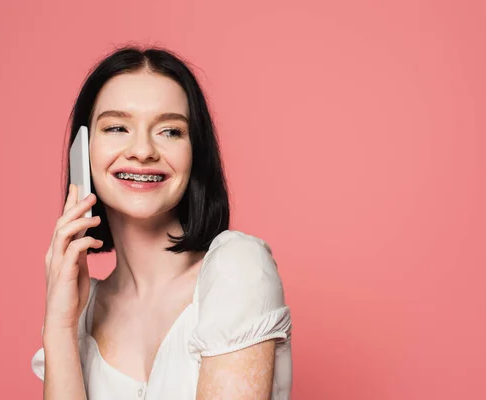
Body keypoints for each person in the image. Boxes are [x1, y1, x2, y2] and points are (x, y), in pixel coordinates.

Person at [31, 45, 293, 399]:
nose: (142, 151)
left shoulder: (237, 270)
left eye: (170, 131)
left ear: (194, 154)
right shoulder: (80, 310)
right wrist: (60, 329)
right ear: (83, 151)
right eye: (117, 127)